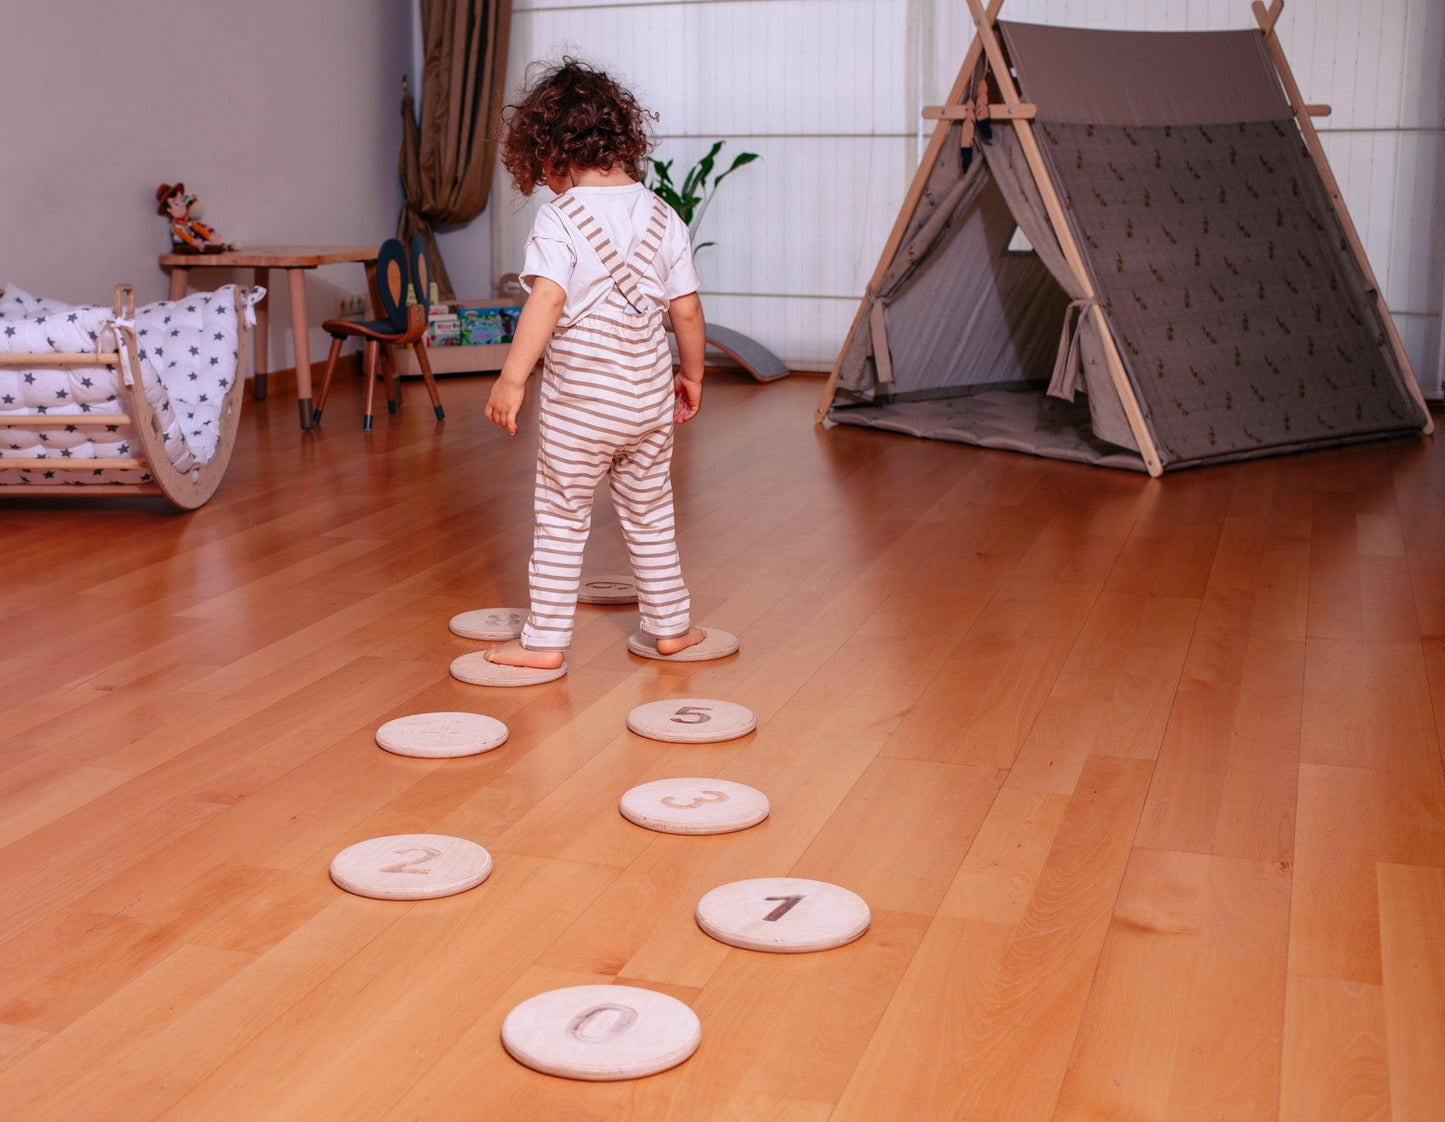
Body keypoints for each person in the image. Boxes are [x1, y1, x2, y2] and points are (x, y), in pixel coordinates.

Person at [482, 59, 707, 672]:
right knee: (651, 512)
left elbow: (547, 299)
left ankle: (545, 642)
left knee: (561, 518)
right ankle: (670, 628)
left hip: (581, 410)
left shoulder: (559, 217)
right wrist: (691, 376)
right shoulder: (664, 216)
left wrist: (513, 377)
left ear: (549, 152)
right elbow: (685, 311)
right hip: (647, 406)